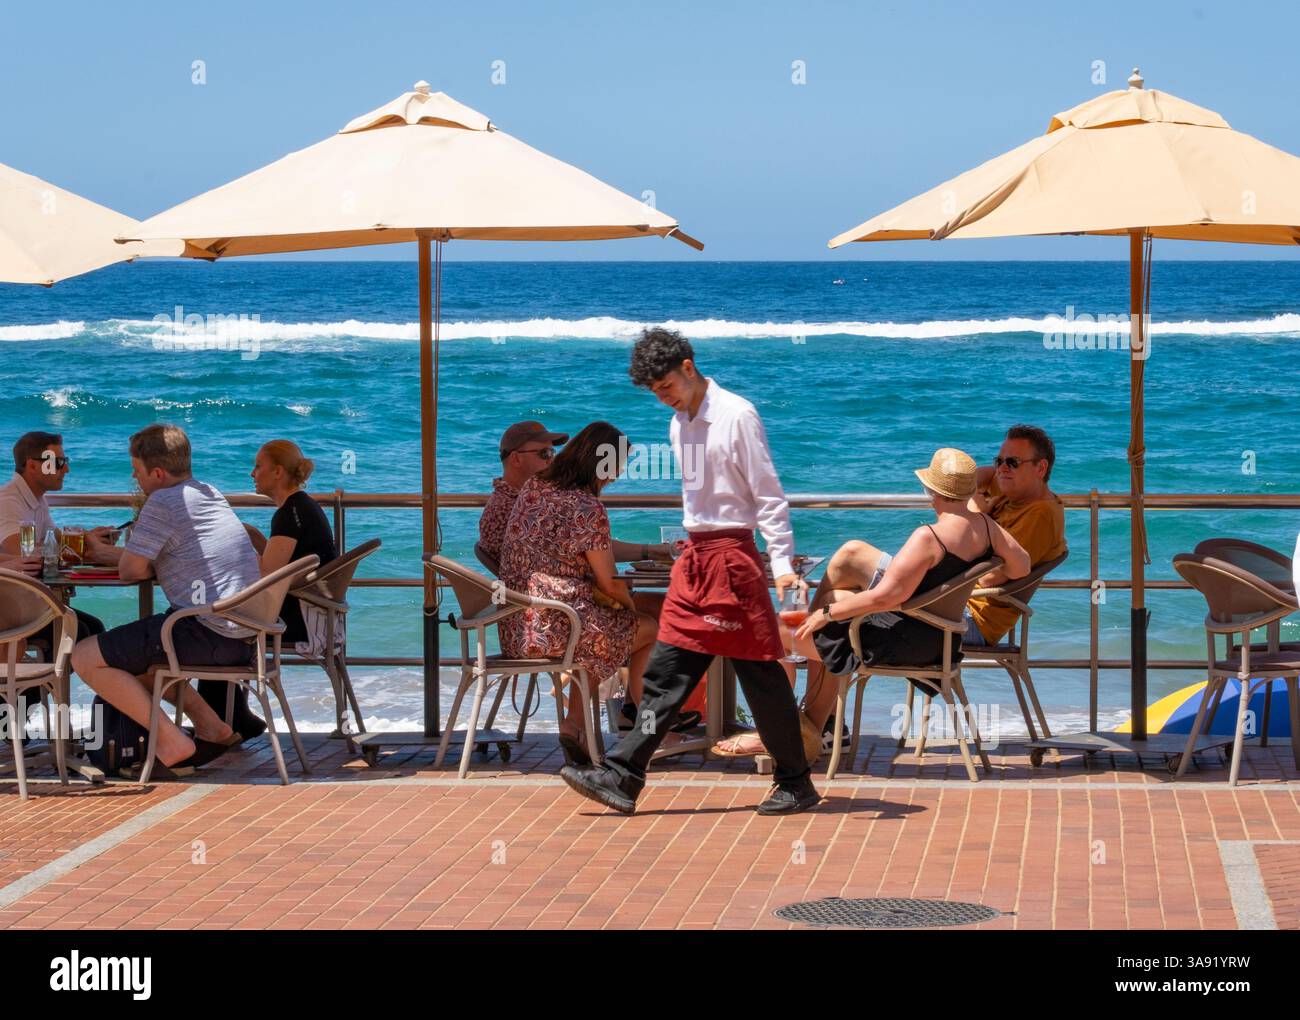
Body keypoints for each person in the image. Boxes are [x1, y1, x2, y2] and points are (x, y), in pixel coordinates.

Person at [559, 327, 820, 816]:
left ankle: (795, 780)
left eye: (666, 388)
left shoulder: (738, 415)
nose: (664, 400)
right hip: (694, 560)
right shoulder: (679, 425)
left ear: (688, 366)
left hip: (733, 560)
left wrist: (782, 563)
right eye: (655, 394)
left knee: (761, 674)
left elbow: (768, 494)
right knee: (667, 672)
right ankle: (623, 774)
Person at [793, 448, 1030, 734]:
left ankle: (811, 728)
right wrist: (986, 568)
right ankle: (819, 727)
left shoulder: (928, 537)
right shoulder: (988, 528)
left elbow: (887, 597)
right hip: (942, 639)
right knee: (837, 596)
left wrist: (826, 615)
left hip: (906, 639)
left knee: (821, 619)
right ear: (970, 493)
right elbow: (1022, 567)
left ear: (932, 490)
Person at [74, 424, 258, 774]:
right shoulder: (208, 492)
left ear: (157, 473)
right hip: (244, 633)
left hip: (207, 631)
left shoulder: (163, 501)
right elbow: (166, 559)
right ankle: (213, 729)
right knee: (147, 660)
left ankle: (172, 744)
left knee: (84, 656)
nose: (135, 479)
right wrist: (123, 553)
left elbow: (132, 571)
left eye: (136, 472)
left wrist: (100, 551)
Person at [499, 422, 658, 766]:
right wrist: (629, 605)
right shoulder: (587, 507)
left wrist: (648, 551)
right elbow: (608, 581)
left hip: (516, 626)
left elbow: (587, 550)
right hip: (558, 625)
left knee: (604, 635)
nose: (616, 476)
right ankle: (647, 729)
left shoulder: (535, 489)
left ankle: (575, 726)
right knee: (647, 627)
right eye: (616, 466)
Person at [215, 439, 338, 737]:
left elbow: (269, 573)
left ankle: (223, 724)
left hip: (298, 621)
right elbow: (285, 564)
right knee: (224, 622)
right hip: (320, 613)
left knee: (216, 627)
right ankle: (234, 717)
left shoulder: (288, 514)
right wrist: (255, 537)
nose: (252, 473)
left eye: (258, 466)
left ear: (279, 472)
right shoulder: (303, 507)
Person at [481, 420, 673, 569]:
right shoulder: (512, 509)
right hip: (555, 608)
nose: (553, 459)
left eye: (553, 452)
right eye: (545, 454)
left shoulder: (530, 501)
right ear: (516, 458)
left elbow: (588, 546)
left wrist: (649, 551)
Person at [966, 425, 1067, 646]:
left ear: (1040, 468)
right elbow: (972, 478)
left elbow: (989, 577)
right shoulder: (1014, 489)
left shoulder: (1040, 514)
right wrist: (973, 496)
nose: (1002, 468)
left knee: (876, 611)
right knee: (875, 608)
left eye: (1012, 462)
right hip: (952, 602)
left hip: (971, 617)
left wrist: (976, 516)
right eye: (998, 460)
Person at [0, 431, 106, 643]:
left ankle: (50, 676)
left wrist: (90, 537)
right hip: (8, 609)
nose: (66, 469)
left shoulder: (36, 499)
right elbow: (23, 553)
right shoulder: (9, 501)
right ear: (32, 465)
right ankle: (47, 676)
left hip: (25, 600)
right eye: (58, 462)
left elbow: (56, 540)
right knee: (80, 633)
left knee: (93, 628)